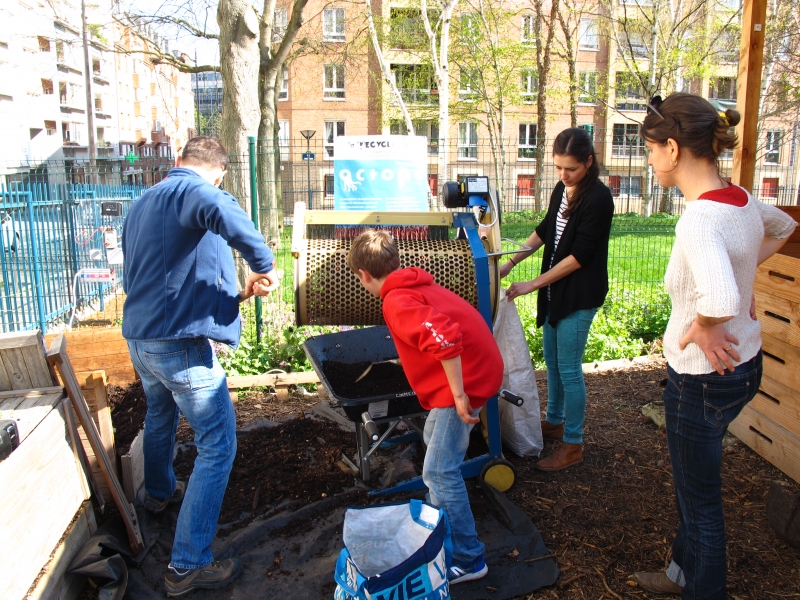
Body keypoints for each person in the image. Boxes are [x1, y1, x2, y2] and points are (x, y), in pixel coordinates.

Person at [631, 93, 796, 598]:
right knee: (692, 491)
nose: (650, 160)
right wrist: (743, 275)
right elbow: (786, 226)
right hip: (745, 366)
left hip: (703, 378)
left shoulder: (700, 219)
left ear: (675, 149)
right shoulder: (741, 199)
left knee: (701, 507)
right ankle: (680, 573)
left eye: (652, 150)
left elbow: (720, 296)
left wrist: (706, 322)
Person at [122, 136, 279, 597]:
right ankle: (187, 564)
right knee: (218, 444)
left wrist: (246, 291)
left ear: (177, 161)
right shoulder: (194, 190)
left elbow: (175, 278)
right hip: (177, 345)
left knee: (160, 416)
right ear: (219, 173)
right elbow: (219, 208)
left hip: (141, 338)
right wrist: (263, 262)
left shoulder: (144, 202)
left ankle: (156, 494)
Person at [346, 229, 503, 585]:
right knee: (434, 440)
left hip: (467, 382)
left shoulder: (396, 300)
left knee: (438, 471)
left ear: (364, 275)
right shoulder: (413, 285)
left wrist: (460, 394)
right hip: (476, 370)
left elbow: (445, 340)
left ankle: (468, 556)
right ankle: (438, 536)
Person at [502, 127, 614, 471]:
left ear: (589, 163)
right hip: (557, 291)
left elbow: (579, 257)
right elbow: (544, 229)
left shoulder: (598, 198)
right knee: (552, 361)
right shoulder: (562, 190)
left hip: (579, 296)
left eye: (571, 169)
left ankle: (574, 443)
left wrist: (532, 284)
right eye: (559, 168)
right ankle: (555, 420)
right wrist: (508, 262)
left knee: (569, 369)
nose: (564, 175)